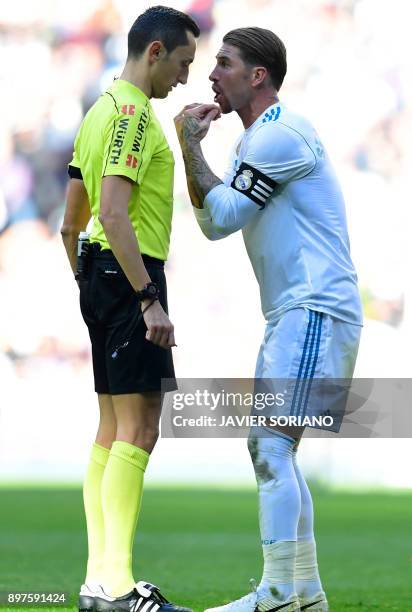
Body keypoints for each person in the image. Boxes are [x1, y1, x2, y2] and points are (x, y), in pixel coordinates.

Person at [174, 27, 362, 612]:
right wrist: (195, 154)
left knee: (270, 446)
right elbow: (212, 222)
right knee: (276, 448)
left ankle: (281, 592)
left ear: (258, 76)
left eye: (224, 63)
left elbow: (223, 215)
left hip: (313, 307)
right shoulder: (259, 139)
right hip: (298, 310)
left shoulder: (279, 134)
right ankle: (301, 592)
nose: (212, 73)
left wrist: (188, 146)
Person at [61, 6, 200, 612]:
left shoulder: (96, 111)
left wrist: (91, 286)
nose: (185, 77)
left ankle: (99, 582)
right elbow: (111, 213)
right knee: (141, 427)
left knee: (112, 428)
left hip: (101, 272)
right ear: (155, 52)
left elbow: (73, 223)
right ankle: (116, 585)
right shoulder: (131, 115)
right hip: (130, 271)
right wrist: (145, 299)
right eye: (183, 62)